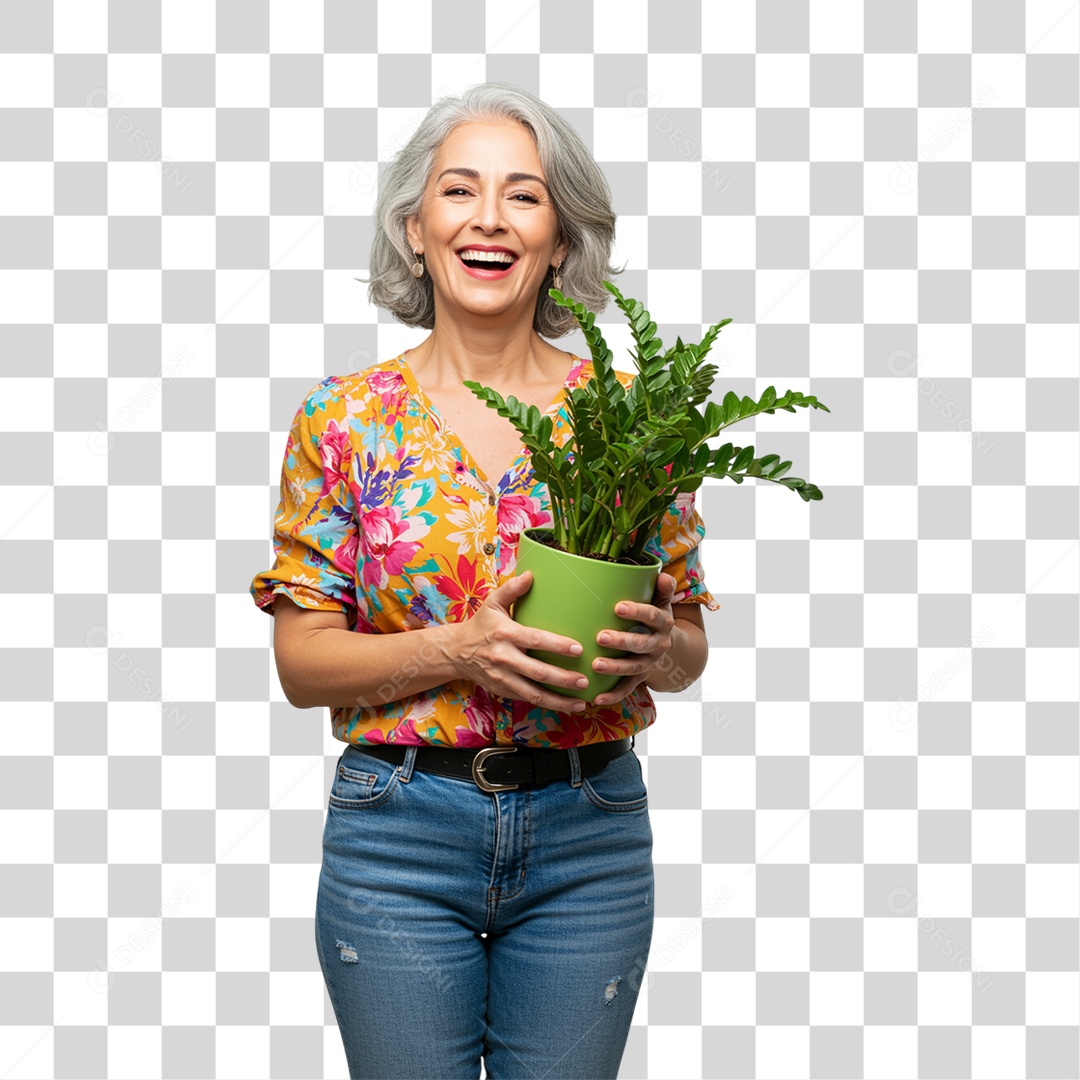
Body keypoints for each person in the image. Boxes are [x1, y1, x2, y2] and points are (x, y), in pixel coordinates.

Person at [250, 82, 720, 1080]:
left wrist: (656, 647)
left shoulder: (632, 418)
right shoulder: (345, 420)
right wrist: (453, 650)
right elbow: (300, 663)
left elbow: (687, 649)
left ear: (560, 238)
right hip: (399, 835)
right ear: (415, 229)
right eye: (459, 191)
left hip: (587, 833)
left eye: (525, 196)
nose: (490, 219)